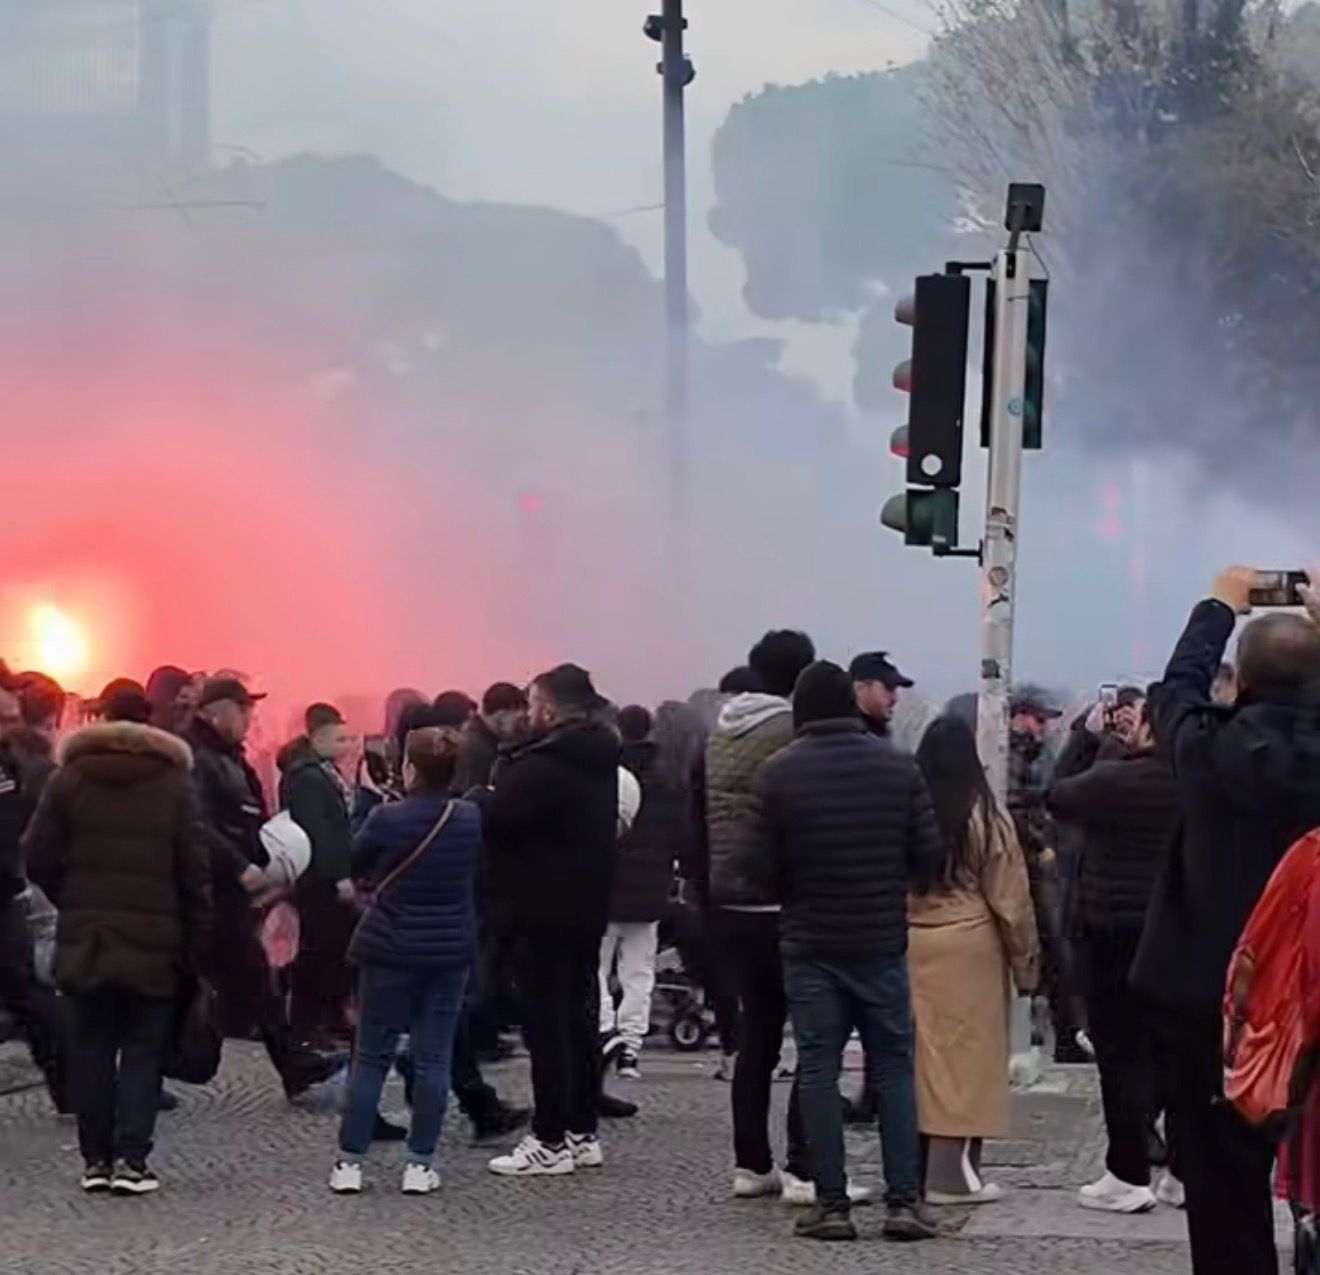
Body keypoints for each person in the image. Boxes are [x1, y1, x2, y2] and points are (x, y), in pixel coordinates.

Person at [1132, 567, 1320, 1275]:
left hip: (1217, 1002)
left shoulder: (1210, 749)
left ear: (1239, 682)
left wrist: (1219, 605)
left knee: (1222, 1191)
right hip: (1313, 995)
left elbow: (1174, 691)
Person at [755, 661, 942, 1242]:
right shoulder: (898, 767)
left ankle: (831, 1207)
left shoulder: (778, 774)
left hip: (811, 945)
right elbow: (930, 856)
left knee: (818, 1069)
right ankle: (904, 1203)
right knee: (893, 1069)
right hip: (880, 941)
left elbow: (756, 868)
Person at [24, 684, 211, 1194]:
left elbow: (36, 857)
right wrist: (196, 939)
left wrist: (74, 899)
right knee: (143, 1050)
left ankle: (95, 1162)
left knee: (91, 1049)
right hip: (155, 939)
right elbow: (194, 871)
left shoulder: (69, 779)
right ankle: (133, 1160)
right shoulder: (173, 783)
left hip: (87, 938)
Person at [329, 727, 481, 1196]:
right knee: (434, 1057)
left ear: (409, 768)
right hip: (448, 950)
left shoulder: (386, 817)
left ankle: (350, 1163)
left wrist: (367, 802)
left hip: (389, 947)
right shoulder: (469, 817)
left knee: (371, 1056)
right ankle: (419, 1164)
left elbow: (354, 861)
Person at [483, 663, 619, 1177]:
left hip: (539, 908)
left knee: (547, 1026)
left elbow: (499, 819)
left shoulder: (542, 766)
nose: (529, 711)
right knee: (580, 1016)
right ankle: (582, 1131)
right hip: (586, 904)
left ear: (553, 708)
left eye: (534, 702)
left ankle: (549, 1139)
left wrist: (484, 794)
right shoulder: (600, 757)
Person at [1049, 695, 1180, 1214]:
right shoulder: (1195, 782)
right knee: (1179, 1053)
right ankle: (1182, 1172)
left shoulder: (1114, 781)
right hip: (1177, 932)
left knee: (1120, 1056)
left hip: (1111, 933)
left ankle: (1127, 1173)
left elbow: (1058, 794)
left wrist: (1088, 738)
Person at [706, 631, 816, 1200]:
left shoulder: (720, 730)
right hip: (782, 898)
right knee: (815, 1033)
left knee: (757, 1036)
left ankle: (751, 1164)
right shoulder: (793, 732)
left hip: (730, 899)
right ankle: (805, 1166)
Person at [911, 716, 1038, 1205]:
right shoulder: (984, 813)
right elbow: (1010, 897)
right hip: (968, 946)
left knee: (920, 1059)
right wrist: (1026, 963)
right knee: (966, 1060)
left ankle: (914, 1167)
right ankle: (953, 1175)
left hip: (909, 941)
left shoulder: (907, 808)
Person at [187, 678, 333, 1098]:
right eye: (242, 708)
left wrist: (269, 859)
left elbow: (245, 819)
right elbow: (197, 823)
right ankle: (181, 1061)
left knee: (249, 979)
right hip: (212, 890)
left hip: (231, 890)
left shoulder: (229, 757)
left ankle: (292, 1064)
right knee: (226, 979)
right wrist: (240, 866)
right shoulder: (200, 759)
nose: (250, 717)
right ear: (215, 711)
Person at [598, 704, 688, 1080]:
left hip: (604, 887)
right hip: (650, 888)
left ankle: (606, 1032)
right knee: (639, 971)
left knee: (596, 968)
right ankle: (631, 1047)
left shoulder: (602, 776)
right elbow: (681, 836)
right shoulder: (669, 780)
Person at [1007, 685, 1086, 1063]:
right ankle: (1063, 1035)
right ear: (1019, 717)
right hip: (1028, 867)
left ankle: (1059, 1033)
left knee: (1051, 951)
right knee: (1054, 946)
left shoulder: (1028, 756)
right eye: (1039, 720)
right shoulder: (1011, 756)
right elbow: (1014, 806)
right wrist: (1041, 844)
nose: (1044, 729)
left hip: (1027, 864)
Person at [0, 668, 65, 1113]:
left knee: (28, 991)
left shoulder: (13, 761)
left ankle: (73, 1087)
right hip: (11, 888)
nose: (10, 726)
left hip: (7, 891)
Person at [282, 702, 357, 1046]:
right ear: (317, 738)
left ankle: (330, 1017)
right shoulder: (309, 778)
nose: (347, 746)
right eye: (340, 740)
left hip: (322, 875)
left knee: (333, 949)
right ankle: (309, 1025)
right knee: (318, 952)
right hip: (318, 880)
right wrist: (338, 874)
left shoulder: (321, 772)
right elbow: (318, 832)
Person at [454, 682, 528, 793]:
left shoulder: (474, 737)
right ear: (501, 714)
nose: (522, 727)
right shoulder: (480, 750)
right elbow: (472, 792)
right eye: (518, 720)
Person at [848, 651, 914, 740]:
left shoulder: (879, 735)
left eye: (894, 689)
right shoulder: (847, 737)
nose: (894, 699)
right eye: (888, 688)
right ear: (860, 688)